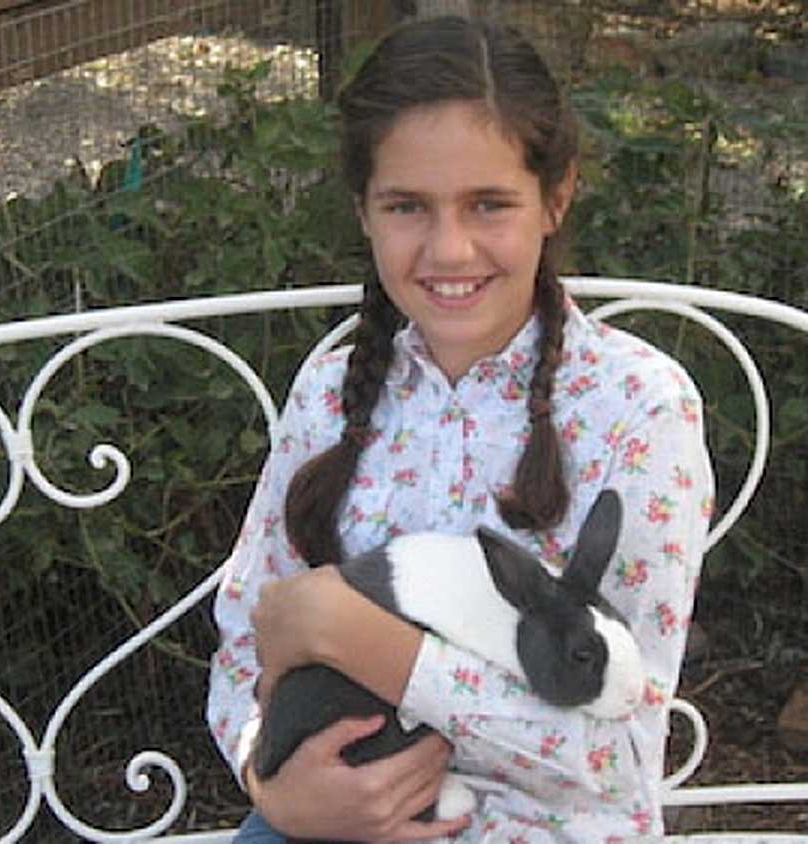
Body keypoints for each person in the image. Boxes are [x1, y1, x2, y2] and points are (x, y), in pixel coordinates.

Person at [205, 14, 714, 843]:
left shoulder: (634, 409)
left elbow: (619, 754)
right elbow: (243, 642)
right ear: (363, 212)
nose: (449, 249)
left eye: (488, 204)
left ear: (555, 198)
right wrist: (273, 783)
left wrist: (372, 645)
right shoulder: (331, 394)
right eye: (407, 206)